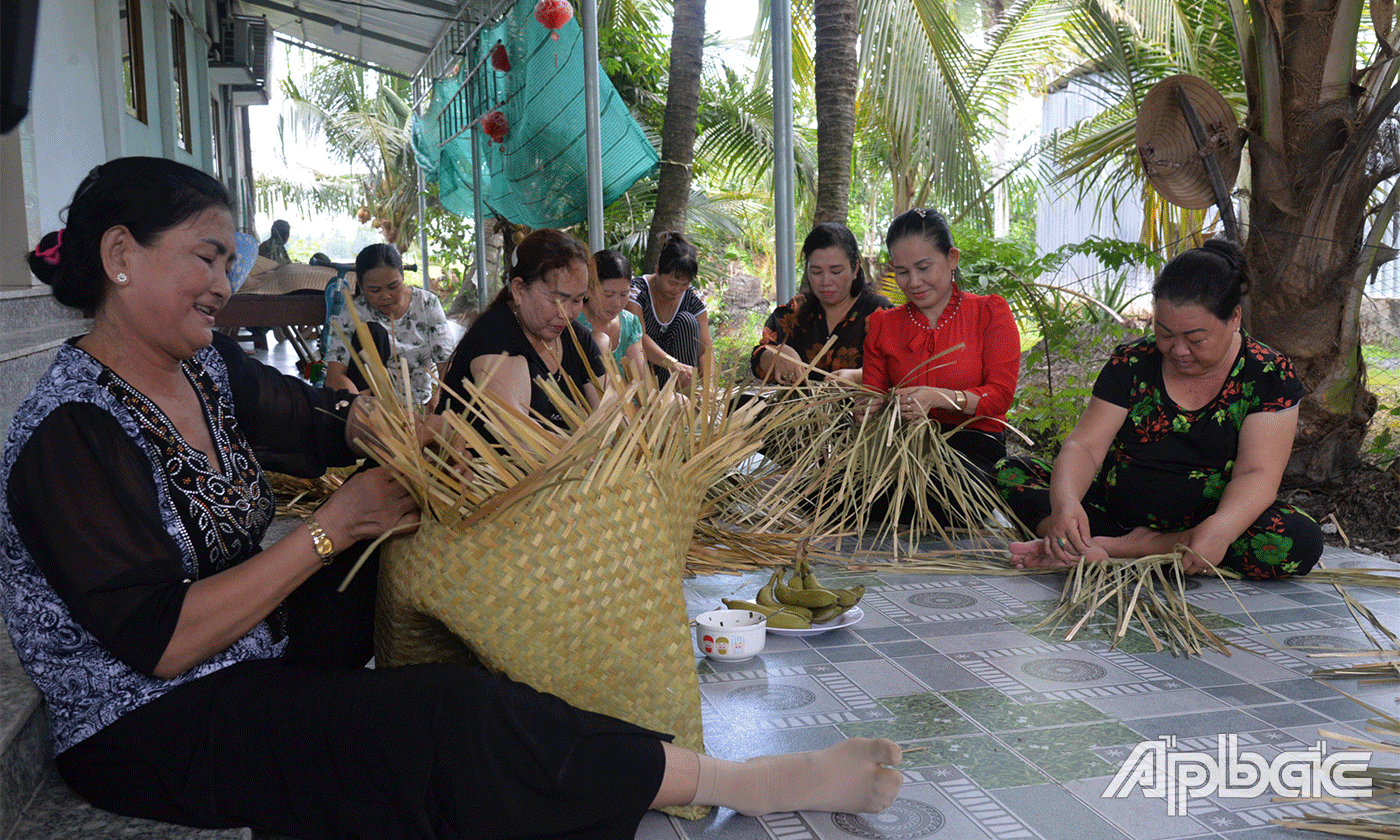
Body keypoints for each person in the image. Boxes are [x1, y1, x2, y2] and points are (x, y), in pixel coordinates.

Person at [1, 157, 901, 840]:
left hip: (251, 645)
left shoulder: (201, 366)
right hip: (155, 727)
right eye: (206, 257)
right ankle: (738, 783)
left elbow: (318, 419)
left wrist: (391, 434)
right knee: (448, 714)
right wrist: (327, 531)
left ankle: (541, 734)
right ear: (120, 256)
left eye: (227, 258)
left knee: (418, 543)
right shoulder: (66, 434)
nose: (225, 282)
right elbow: (162, 643)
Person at [996, 240, 1324, 580]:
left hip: (1208, 524)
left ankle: (1112, 548)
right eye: (1164, 333)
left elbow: (1257, 473)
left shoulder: (1268, 373)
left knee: (1297, 539)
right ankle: (1090, 541)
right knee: (1012, 471)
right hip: (1113, 512)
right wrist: (1066, 505)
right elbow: (1085, 446)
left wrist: (1222, 529)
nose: (1178, 350)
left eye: (1195, 340)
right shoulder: (1133, 362)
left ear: (1235, 318)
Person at [862, 208, 1022, 483]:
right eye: (902, 271)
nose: (913, 282)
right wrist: (867, 408)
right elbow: (871, 398)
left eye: (924, 268)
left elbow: (1000, 396)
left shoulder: (989, 313)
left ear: (952, 258)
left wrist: (940, 398)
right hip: (904, 449)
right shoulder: (883, 326)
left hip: (974, 450)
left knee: (941, 491)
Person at [437, 229, 607, 432]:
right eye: (557, 300)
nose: (568, 313)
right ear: (518, 290)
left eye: (578, 300)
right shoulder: (494, 336)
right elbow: (521, 437)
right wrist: (588, 455)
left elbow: (611, 414)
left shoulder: (578, 338)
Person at [751, 223, 893, 386]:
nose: (826, 282)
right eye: (816, 272)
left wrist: (858, 376)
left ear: (855, 269)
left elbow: (900, 370)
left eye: (836, 272)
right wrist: (775, 356)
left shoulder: (880, 313)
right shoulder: (796, 310)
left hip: (861, 411)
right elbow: (758, 357)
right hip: (799, 410)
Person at [323, 243, 455, 410]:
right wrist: (362, 410)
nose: (386, 296)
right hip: (371, 408)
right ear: (361, 286)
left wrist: (440, 398)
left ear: (403, 275)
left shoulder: (426, 303)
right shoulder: (353, 313)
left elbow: (446, 363)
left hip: (421, 407)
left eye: (393, 286)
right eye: (375, 290)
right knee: (371, 332)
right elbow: (334, 376)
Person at [627, 231, 713, 389]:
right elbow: (638, 339)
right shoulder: (637, 292)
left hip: (679, 377)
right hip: (643, 376)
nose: (677, 290)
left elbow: (705, 350)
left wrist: (710, 389)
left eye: (684, 284)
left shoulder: (694, 299)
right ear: (658, 270)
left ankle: (683, 398)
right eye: (672, 283)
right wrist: (671, 363)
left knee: (687, 321)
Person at [579, 249, 645, 375]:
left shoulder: (630, 323)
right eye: (608, 295)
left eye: (624, 294)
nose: (617, 303)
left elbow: (640, 379)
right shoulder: (571, 323)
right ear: (588, 289)